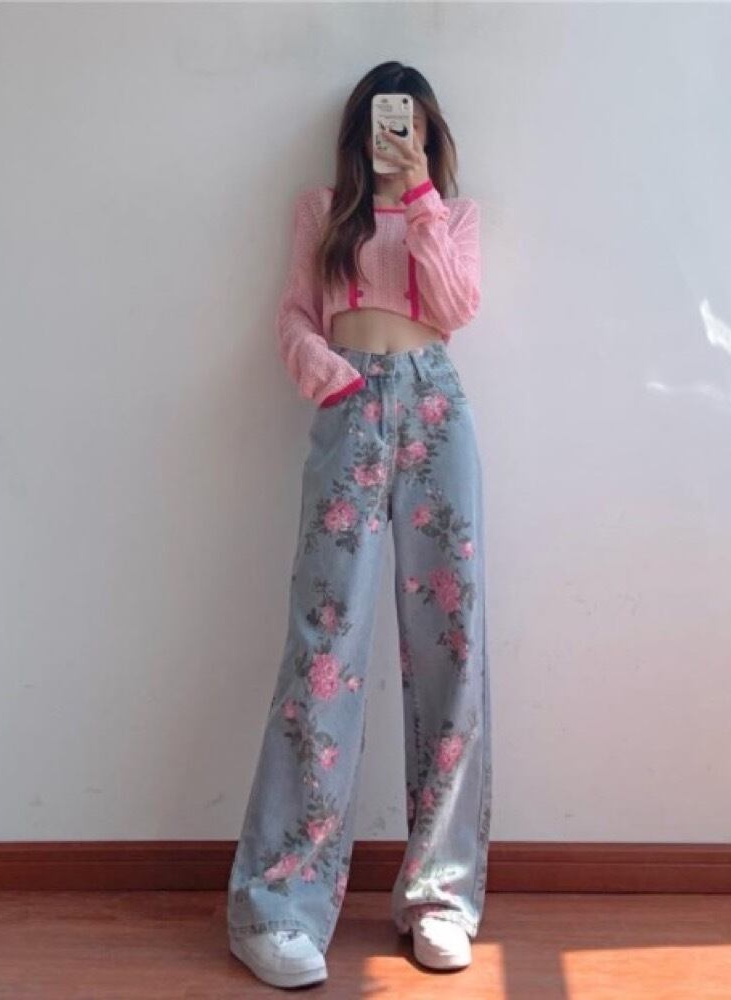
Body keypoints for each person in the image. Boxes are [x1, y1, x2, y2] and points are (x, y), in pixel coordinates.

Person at [227, 60, 492, 989]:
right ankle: (278, 903)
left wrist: (417, 197)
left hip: (436, 410)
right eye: (385, 122)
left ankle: (440, 895)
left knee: (450, 645)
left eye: (410, 123)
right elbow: (294, 317)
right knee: (324, 647)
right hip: (350, 411)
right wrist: (331, 379)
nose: (396, 134)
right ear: (360, 129)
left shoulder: (452, 214)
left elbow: (457, 308)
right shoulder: (321, 212)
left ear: (427, 133)